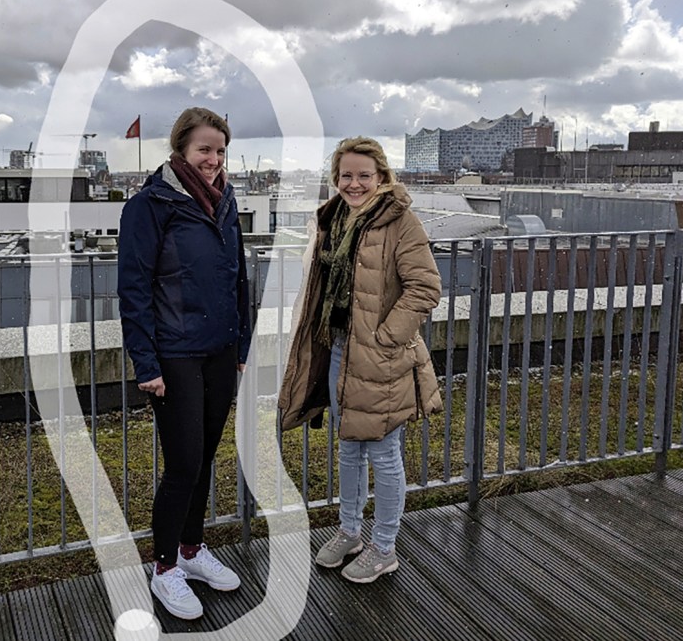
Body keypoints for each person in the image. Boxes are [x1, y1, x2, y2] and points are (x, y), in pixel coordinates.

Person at [277, 136, 442, 584]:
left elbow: (425, 287)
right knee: (349, 446)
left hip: (381, 356)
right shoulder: (334, 217)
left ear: (382, 177)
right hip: (338, 351)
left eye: (364, 176)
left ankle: (384, 547)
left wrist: (387, 336)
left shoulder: (400, 221)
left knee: (384, 454)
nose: (354, 183)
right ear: (336, 178)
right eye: (346, 175)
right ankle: (350, 530)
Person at [117, 106, 251, 620]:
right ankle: (165, 567)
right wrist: (145, 362)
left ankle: (192, 552)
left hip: (219, 351)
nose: (214, 159)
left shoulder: (225, 201)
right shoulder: (151, 204)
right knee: (183, 465)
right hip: (173, 355)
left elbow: (236, 276)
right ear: (181, 150)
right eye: (204, 150)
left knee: (204, 458)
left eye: (220, 150)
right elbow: (133, 290)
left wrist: (239, 346)